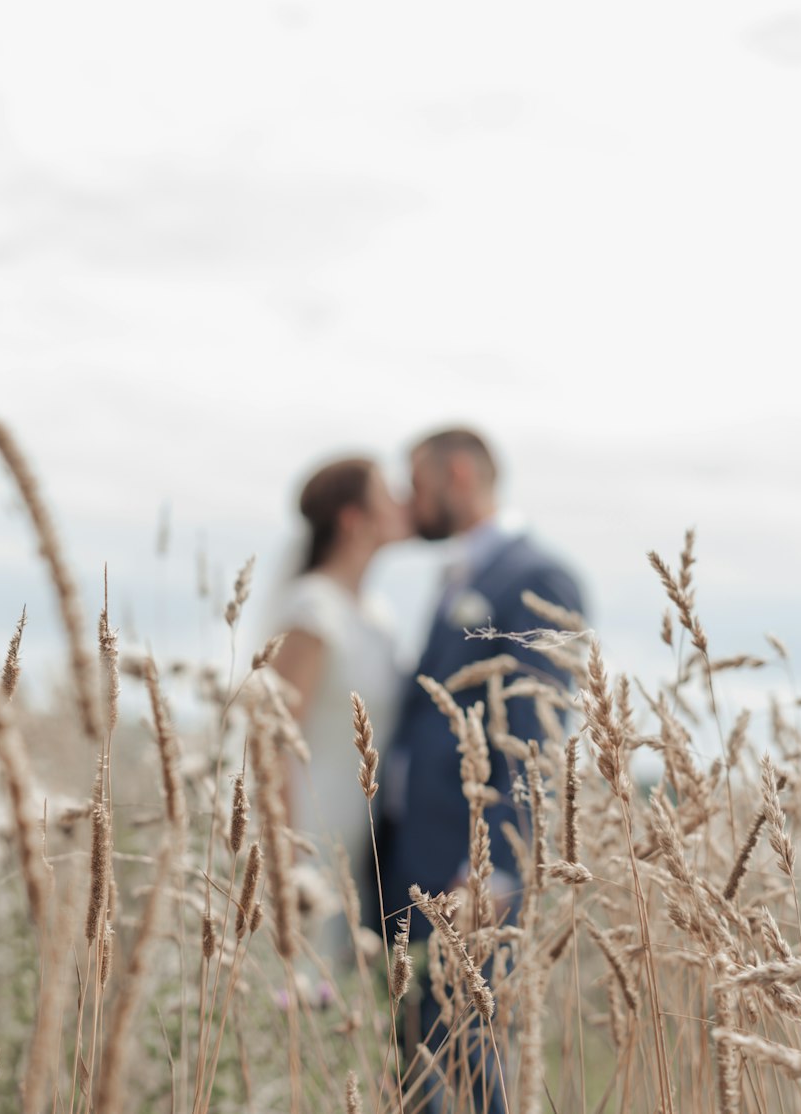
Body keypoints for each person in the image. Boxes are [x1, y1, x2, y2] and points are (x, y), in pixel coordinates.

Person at [374, 427, 586, 1110]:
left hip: (470, 872)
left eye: (417, 481)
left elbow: (536, 731)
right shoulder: (459, 575)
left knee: (472, 1060)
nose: (411, 500)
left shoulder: (536, 578)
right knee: (421, 1065)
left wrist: (495, 864)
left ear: (458, 474)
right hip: (416, 858)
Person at [269, 456, 410, 948]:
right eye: (388, 494)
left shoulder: (379, 615)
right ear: (354, 519)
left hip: (362, 837)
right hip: (309, 827)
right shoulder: (312, 608)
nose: (403, 501)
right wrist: (288, 860)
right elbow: (273, 737)